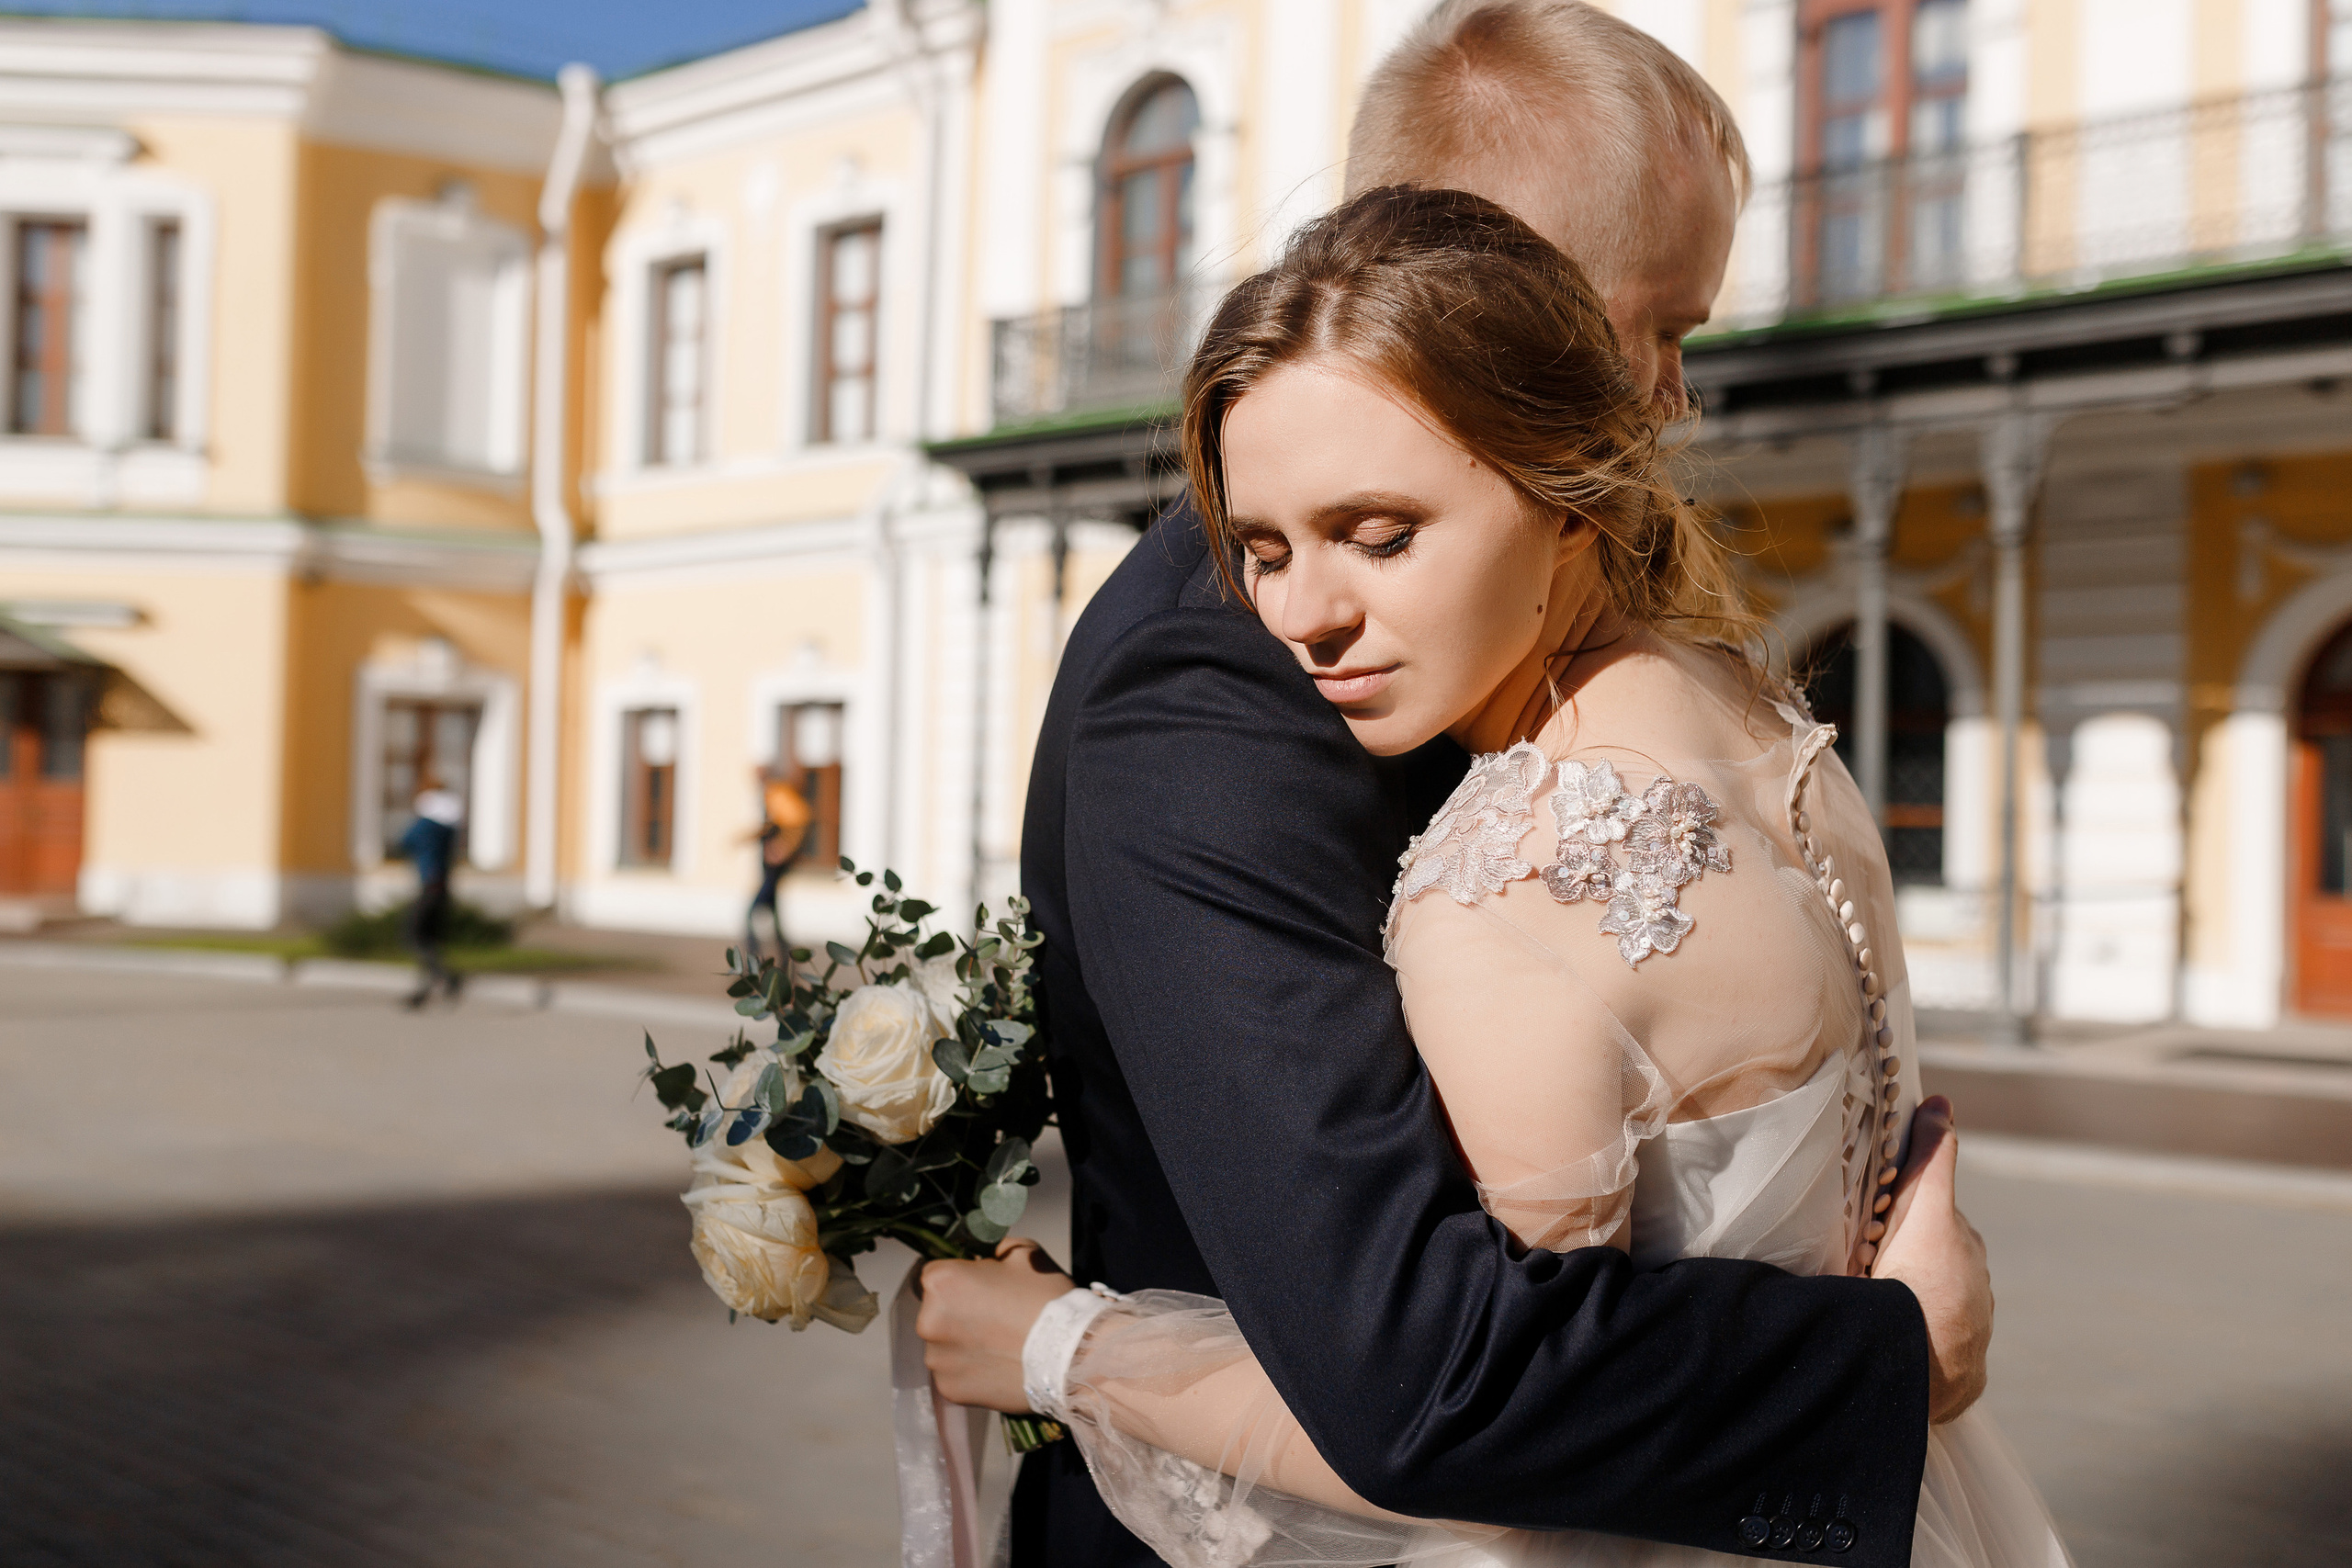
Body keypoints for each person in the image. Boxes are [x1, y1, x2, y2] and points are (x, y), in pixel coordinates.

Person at [913, 6, 1997, 1565]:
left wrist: (1046, 1348)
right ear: (1492, 286)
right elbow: (1418, 1364)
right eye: (1657, 326)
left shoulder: (1630, 678)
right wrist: (1887, 1369)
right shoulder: (1216, 691)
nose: (1673, 395)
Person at [398, 782, 465, 1010]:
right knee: (432, 940)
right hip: (443, 887)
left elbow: (405, 841)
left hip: (430, 886)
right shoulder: (448, 829)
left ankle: (444, 976)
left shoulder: (426, 826)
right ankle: (424, 990)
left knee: (414, 935)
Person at [743, 770, 813, 966]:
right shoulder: (775, 794)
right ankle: (785, 964)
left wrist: (783, 848)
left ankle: (754, 965)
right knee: (775, 921)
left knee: (751, 915)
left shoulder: (777, 793)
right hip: (773, 867)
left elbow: (797, 823)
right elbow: (772, 825)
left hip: (775, 868)